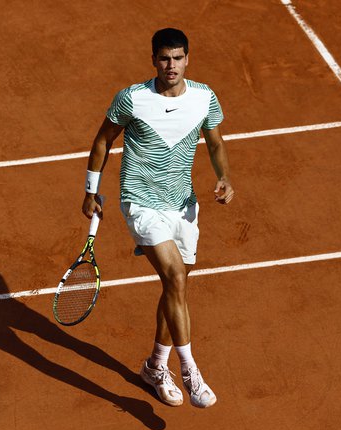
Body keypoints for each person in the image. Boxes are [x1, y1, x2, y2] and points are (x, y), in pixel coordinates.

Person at [81, 28, 234, 409]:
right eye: (164, 58)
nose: (171, 65)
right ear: (153, 60)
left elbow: (215, 143)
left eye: (178, 58)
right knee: (175, 276)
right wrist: (89, 190)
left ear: (187, 59)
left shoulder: (204, 98)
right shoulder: (132, 99)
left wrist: (223, 177)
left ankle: (154, 366)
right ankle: (190, 371)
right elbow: (103, 139)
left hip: (183, 205)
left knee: (175, 288)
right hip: (140, 201)